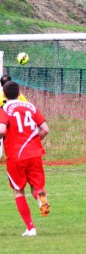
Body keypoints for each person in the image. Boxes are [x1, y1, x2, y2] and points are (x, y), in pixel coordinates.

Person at [0, 81, 50, 237]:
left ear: (4, 95)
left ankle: (31, 228)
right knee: (36, 187)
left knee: (18, 190)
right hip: (34, 154)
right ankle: (41, 197)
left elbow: (1, 130)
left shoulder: (4, 109)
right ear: (19, 92)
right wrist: (34, 142)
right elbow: (45, 129)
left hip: (16, 156)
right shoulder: (31, 106)